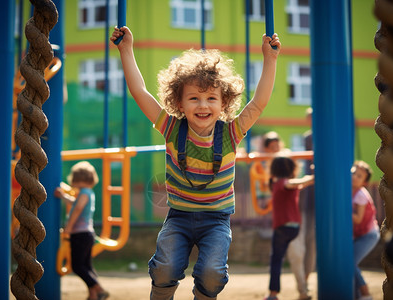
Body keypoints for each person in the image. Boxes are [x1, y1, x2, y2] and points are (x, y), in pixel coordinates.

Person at [111, 25, 281, 300]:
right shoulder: (171, 129)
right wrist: (127, 50)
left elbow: (258, 103)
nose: (203, 105)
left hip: (216, 220)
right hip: (179, 216)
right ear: (179, 103)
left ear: (224, 103)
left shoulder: (230, 133)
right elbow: (140, 92)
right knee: (165, 268)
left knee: (212, 273)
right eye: (194, 98)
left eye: (211, 98)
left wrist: (270, 59)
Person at [54, 161, 109, 300]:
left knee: (78, 266)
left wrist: (69, 227)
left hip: (80, 234)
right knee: (87, 266)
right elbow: (75, 204)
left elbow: (77, 209)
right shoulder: (87, 193)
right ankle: (93, 295)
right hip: (86, 234)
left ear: (78, 179)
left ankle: (99, 289)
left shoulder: (84, 193)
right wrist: (63, 196)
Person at [264, 157, 314, 300]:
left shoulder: (276, 184)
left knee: (276, 260)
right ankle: (303, 291)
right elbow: (292, 183)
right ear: (292, 170)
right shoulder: (282, 183)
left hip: (281, 229)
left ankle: (273, 294)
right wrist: (311, 178)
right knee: (297, 259)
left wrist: (309, 178)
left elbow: (294, 183)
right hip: (294, 228)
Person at [286, 107, 315, 300]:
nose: (310, 121)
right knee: (303, 240)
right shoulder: (308, 137)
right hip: (308, 190)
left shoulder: (328, 136)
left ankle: (305, 280)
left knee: (312, 242)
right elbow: (309, 161)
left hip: (317, 191)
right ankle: (303, 285)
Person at [351, 160, 380, 300]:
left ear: (364, 182)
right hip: (359, 234)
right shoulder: (349, 190)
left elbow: (358, 218)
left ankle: (365, 292)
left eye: (359, 176)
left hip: (369, 235)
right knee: (348, 264)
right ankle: (356, 295)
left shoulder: (361, 195)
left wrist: (342, 208)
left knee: (349, 262)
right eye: (354, 173)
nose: (354, 177)